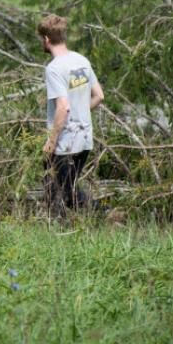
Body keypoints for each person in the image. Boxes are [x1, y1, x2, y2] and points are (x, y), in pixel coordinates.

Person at [37, 15, 105, 218]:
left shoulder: (55, 68)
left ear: (47, 40)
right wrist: (80, 113)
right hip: (84, 140)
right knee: (67, 190)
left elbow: (63, 107)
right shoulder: (81, 61)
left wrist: (51, 141)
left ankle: (105, 215)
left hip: (65, 142)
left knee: (55, 193)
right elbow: (99, 96)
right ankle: (98, 218)